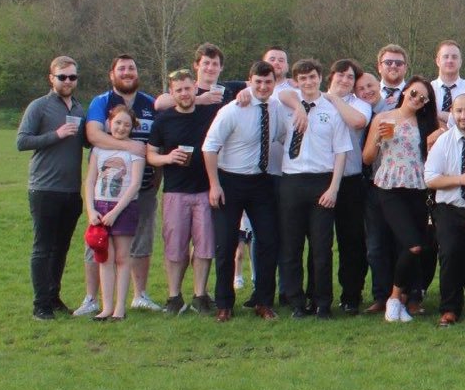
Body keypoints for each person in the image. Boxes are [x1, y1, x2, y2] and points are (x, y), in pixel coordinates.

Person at [203, 61, 285, 321]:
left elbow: (283, 135)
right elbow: (209, 147)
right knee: (226, 244)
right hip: (230, 180)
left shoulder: (277, 107)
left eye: (268, 82)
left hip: (261, 182)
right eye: (258, 82)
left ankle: (263, 301)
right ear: (249, 81)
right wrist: (214, 185)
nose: (263, 87)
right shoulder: (233, 110)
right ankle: (224, 303)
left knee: (269, 242)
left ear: (274, 82)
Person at [275, 59, 352, 319]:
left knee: (321, 248)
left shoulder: (330, 110)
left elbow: (341, 153)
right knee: (292, 246)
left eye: (312, 77)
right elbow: (278, 92)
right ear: (296, 81)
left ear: (320, 78)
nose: (308, 82)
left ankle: (322, 302)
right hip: (292, 180)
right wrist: (297, 105)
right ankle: (297, 301)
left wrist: (334, 189)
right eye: (303, 78)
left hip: (322, 181)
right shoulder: (286, 104)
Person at [85, 54, 161, 312]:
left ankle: (140, 294)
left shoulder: (150, 103)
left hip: (143, 187)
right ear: (112, 74)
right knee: (98, 242)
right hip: (104, 192)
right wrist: (131, 147)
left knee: (141, 241)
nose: (127, 72)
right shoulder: (102, 102)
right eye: (122, 69)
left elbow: (158, 141)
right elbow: (94, 135)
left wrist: (156, 177)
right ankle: (92, 299)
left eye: (132, 68)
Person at [364, 77, 438, 323]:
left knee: (414, 249)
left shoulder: (426, 122)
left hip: (417, 187)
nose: (417, 99)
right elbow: (367, 158)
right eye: (414, 93)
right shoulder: (383, 118)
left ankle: (403, 300)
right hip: (389, 187)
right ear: (406, 90)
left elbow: (445, 136)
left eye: (423, 98)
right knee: (412, 245)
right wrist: (378, 139)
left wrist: (438, 132)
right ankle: (393, 299)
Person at [19, 56, 87, 320]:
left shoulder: (80, 109)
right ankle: (40, 305)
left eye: (72, 77)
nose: (68, 81)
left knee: (61, 247)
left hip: (71, 191)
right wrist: (55, 135)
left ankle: (53, 296)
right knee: (43, 247)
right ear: (52, 78)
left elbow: (86, 141)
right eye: (62, 77)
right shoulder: (39, 106)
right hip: (44, 189)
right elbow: (22, 141)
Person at [146, 69, 219, 315]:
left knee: (205, 245)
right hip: (175, 192)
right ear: (172, 93)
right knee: (175, 247)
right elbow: (150, 155)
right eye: (179, 90)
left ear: (194, 89)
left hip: (204, 190)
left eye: (188, 89)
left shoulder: (208, 113)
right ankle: (174, 297)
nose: (185, 94)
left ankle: (200, 295)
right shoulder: (163, 120)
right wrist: (167, 157)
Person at [319, 60, 373, 315]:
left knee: (351, 241)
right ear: (331, 75)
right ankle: (317, 295)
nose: (345, 80)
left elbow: (357, 122)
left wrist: (334, 98)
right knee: (319, 241)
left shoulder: (359, 103)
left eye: (350, 77)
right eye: (341, 75)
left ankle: (351, 295)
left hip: (350, 181)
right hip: (319, 178)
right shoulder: (315, 99)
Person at [425, 94, 465, 327]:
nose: (463, 116)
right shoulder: (444, 141)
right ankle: (449, 309)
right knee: (449, 254)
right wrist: (462, 179)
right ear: (452, 112)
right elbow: (430, 178)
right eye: (458, 111)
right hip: (449, 207)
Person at [84, 106, 146, 321]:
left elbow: (135, 184)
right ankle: (106, 307)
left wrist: (116, 211)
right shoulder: (99, 150)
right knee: (105, 258)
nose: (121, 128)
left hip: (124, 208)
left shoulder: (136, 151)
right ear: (110, 123)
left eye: (126, 125)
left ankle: (120, 308)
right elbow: (90, 180)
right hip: (100, 206)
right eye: (117, 123)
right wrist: (91, 210)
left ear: (132, 127)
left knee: (122, 258)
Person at [153, 43, 242, 111]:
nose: (210, 68)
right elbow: (159, 104)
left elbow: (253, 82)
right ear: (196, 65)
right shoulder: (187, 89)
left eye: (215, 64)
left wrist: (245, 92)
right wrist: (199, 100)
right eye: (206, 63)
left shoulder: (228, 89)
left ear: (221, 67)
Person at [431, 40, 465, 118]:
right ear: (438, 61)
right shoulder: (428, 89)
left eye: (454, 57)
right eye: (446, 57)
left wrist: (436, 114)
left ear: (460, 62)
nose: (450, 60)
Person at [374, 45, 410, 114]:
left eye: (398, 63)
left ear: (405, 68)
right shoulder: (369, 94)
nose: (393, 66)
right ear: (379, 67)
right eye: (388, 62)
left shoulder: (413, 95)